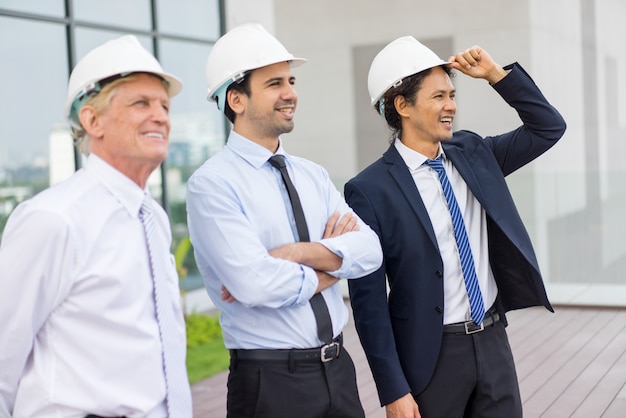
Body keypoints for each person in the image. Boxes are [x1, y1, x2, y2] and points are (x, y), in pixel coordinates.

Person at [344, 36, 567, 418]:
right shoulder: (369, 190)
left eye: (452, 94)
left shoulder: (475, 153)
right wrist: (393, 391)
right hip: (431, 360)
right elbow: (368, 305)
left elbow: (548, 127)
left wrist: (497, 76)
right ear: (402, 106)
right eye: (438, 97)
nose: (451, 106)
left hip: (493, 341)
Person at [186, 23, 383, 418]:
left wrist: (297, 252)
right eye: (274, 83)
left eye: (290, 81)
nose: (291, 93)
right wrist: (336, 267)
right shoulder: (212, 185)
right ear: (236, 99)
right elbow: (255, 284)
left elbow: (372, 250)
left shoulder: (312, 174)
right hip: (270, 382)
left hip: (338, 371)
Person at [0, 35, 192, 417]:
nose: (161, 116)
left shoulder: (152, 218)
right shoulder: (53, 220)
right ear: (92, 120)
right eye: (141, 103)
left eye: (165, 105)